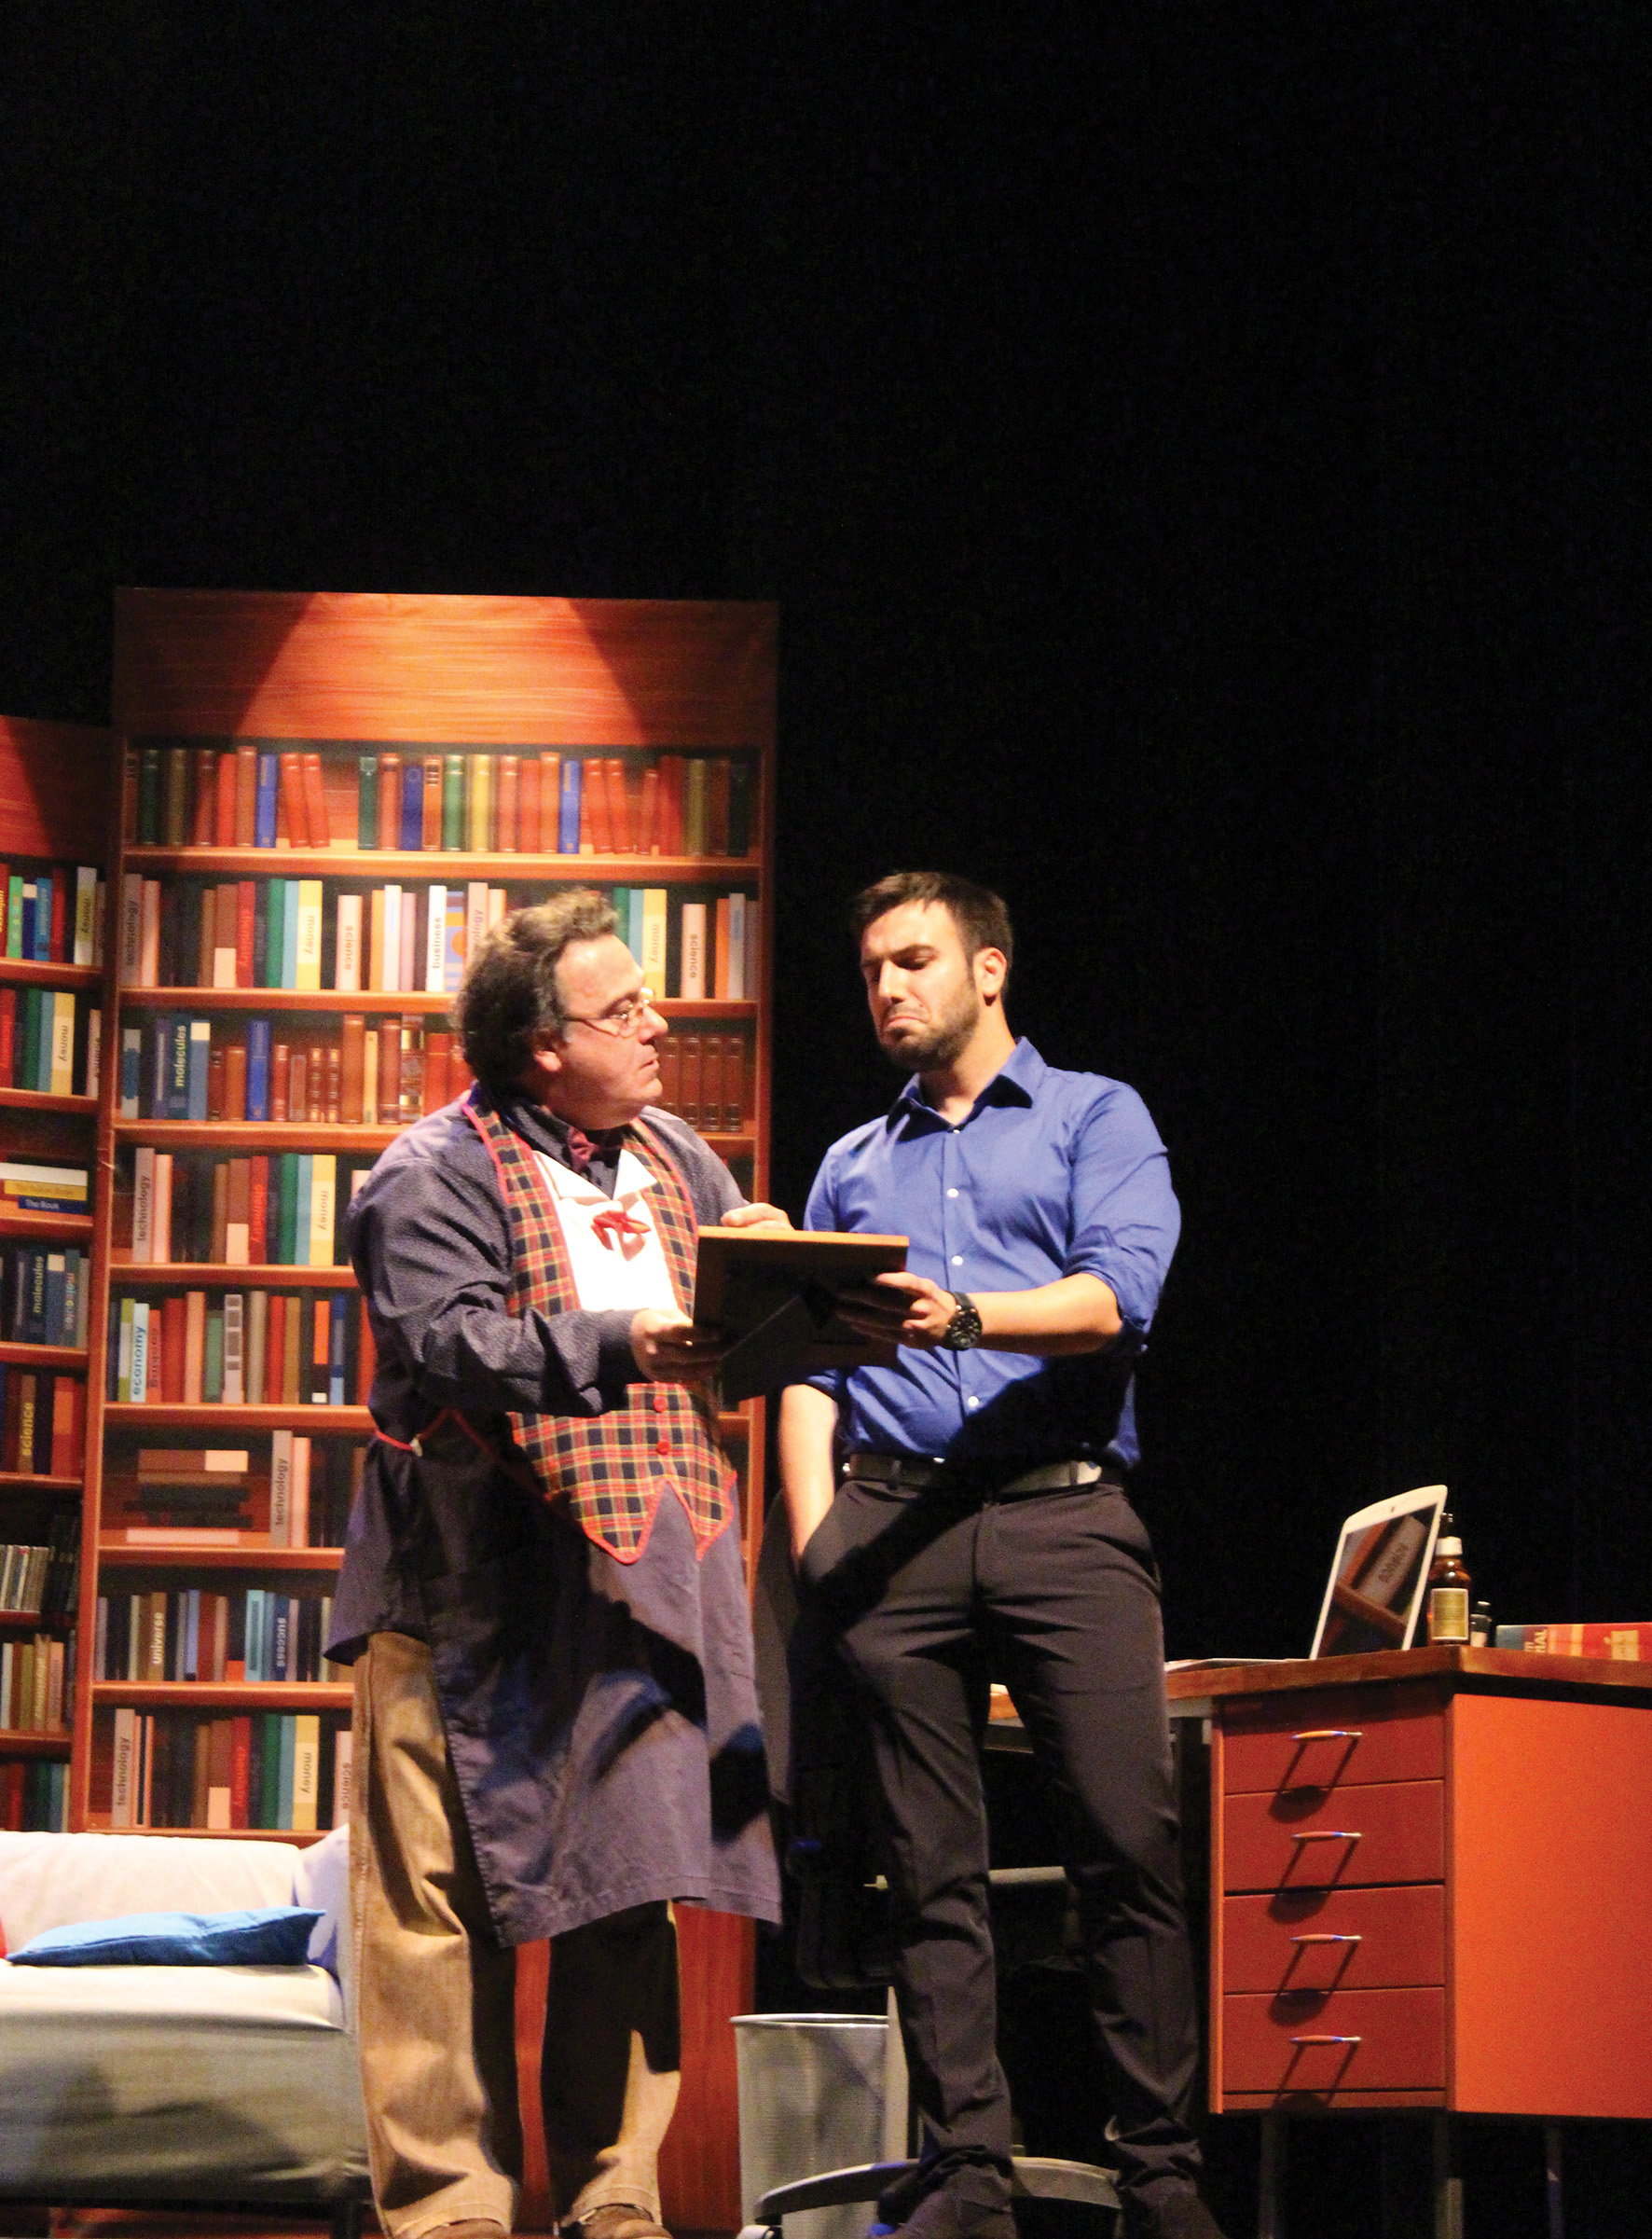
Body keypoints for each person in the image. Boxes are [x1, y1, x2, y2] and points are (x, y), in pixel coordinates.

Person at [328, 891, 784, 2239]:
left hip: (635, 1572)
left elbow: (738, 1313)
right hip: (463, 1577)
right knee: (431, 1898)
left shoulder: (675, 1156)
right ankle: (451, 2205)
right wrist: (622, 1339)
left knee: (629, 1877)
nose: (659, 1023)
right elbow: (447, 1339)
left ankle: (614, 2189)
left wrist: (778, 1270)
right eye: (623, 1008)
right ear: (543, 1046)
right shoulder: (429, 1172)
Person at [778, 873, 1225, 2239]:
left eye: (913, 960)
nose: (886, 988)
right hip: (893, 1528)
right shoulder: (852, 1163)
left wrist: (964, 1315)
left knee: (1127, 1842)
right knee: (928, 1867)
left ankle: (1160, 2175)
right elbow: (806, 1367)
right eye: (871, 968)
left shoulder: (1095, 1114)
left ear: (988, 969)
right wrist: (815, 1538)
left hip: (1062, 1517)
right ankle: (967, 2167)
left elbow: (1116, 1297)